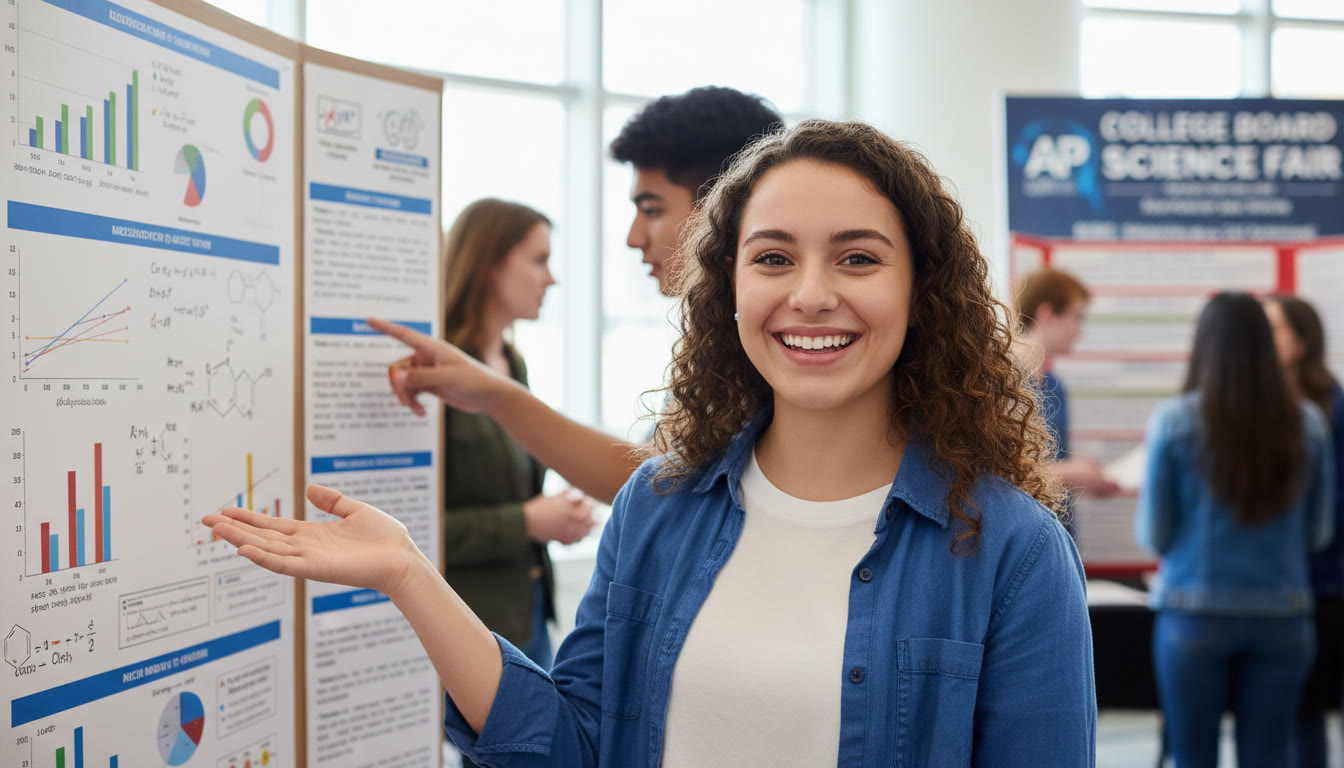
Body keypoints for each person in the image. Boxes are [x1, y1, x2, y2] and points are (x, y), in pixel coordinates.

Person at [205, 120, 1096, 766]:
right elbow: (568, 745)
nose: (812, 294)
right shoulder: (659, 507)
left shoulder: (1012, 550)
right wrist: (408, 575)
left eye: (858, 258)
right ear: (730, 288)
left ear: (922, 290)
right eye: (774, 258)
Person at [371, 87, 783, 505]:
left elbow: (661, 484)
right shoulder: (719, 345)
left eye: (652, 209)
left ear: (723, 209)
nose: (633, 237)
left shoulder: (774, 348)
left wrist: (496, 395)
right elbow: (658, 473)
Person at [1136, 292, 1335, 768]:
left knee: (1192, 756)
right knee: (1270, 758)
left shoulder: (1175, 420)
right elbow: (1318, 534)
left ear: (1203, 344)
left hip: (1192, 614)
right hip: (1284, 616)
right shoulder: (1307, 423)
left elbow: (1155, 535)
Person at [436, 198, 595, 670]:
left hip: (527, 611)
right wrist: (527, 522)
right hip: (469, 621)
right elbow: (419, 530)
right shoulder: (441, 374)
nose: (551, 278)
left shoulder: (512, 364)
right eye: (539, 260)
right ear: (488, 264)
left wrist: (554, 517)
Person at [1263, 295, 1344, 768]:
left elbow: (1334, 505)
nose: (1265, 338)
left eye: (1274, 328)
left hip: (1319, 585)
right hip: (1268, 586)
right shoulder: (1257, 405)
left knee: (1306, 715)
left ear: (1302, 340)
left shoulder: (1331, 407)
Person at [1014, 268, 1120, 515]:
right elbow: (992, 473)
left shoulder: (1055, 387)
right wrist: (1071, 472)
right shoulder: (998, 384)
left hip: (1059, 526)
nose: (1079, 330)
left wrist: (1082, 477)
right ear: (1047, 313)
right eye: (1076, 317)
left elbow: (1052, 465)